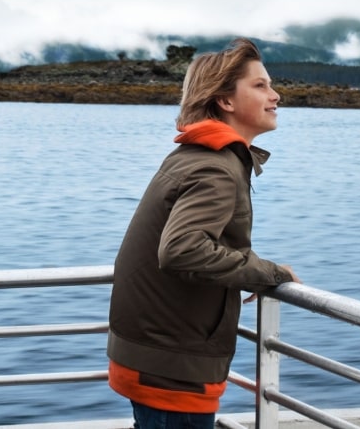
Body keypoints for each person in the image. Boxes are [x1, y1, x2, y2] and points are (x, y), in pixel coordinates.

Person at [106, 37, 301, 429]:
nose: (276, 95)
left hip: (153, 354)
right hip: (172, 365)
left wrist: (236, 274)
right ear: (226, 101)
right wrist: (266, 273)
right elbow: (182, 250)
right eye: (260, 86)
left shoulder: (198, 155)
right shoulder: (215, 166)